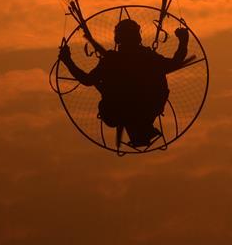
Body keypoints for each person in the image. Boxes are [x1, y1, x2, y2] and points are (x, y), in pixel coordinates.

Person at [59, 18, 191, 148]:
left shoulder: (111, 60)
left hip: (121, 109)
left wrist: (67, 60)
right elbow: (175, 63)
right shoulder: (147, 57)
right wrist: (183, 41)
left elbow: (87, 80)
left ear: (117, 39)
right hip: (140, 106)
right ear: (138, 37)